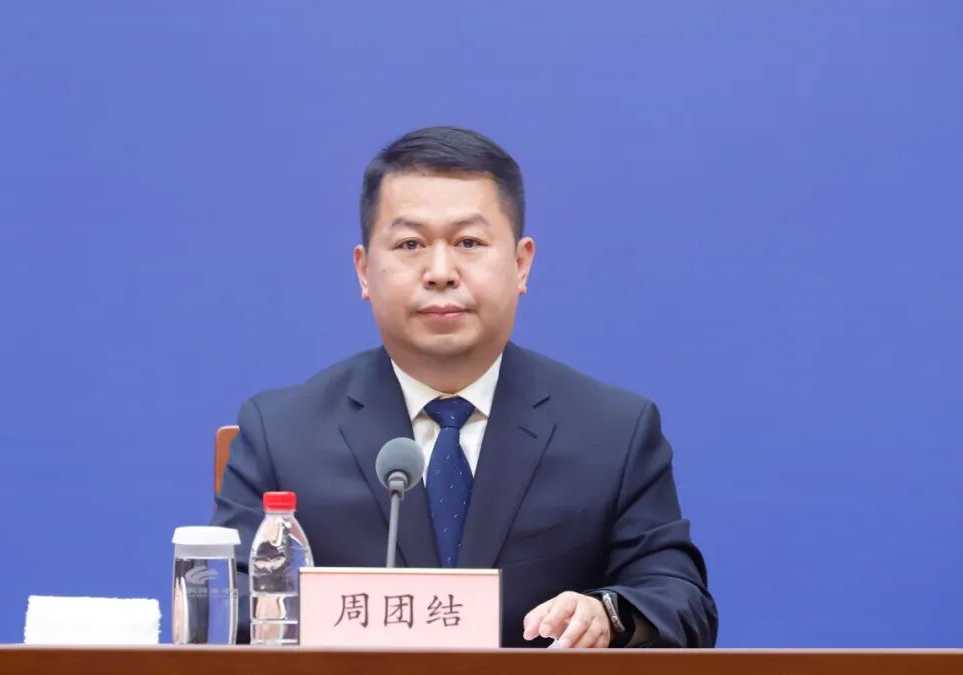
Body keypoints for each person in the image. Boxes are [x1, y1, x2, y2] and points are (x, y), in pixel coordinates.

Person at [212, 126, 718, 648]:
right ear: (364, 271)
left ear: (521, 264)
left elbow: (679, 600)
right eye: (410, 244)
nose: (440, 272)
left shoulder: (613, 433)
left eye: (468, 243)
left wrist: (606, 613)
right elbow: (229, 605)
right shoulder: (282, 435)